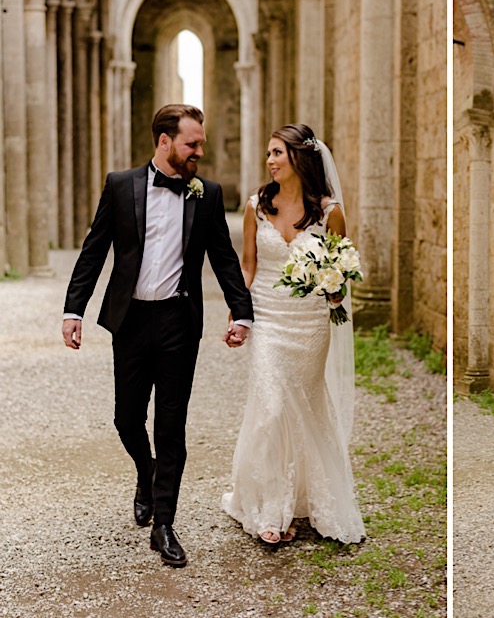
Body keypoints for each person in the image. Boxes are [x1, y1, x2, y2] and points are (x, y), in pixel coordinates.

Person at [62, 104, 254, 567]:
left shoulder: (205, 195)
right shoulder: (120, 185)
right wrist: (74, 309)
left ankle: (165, 523)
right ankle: (145, 474)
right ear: (165, 141)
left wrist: (242, 314)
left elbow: (225, 260)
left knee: (171, 424)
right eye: (192, 143)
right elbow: (94, 250)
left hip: (177, 324)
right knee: (127, 419)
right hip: (129, 321)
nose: (199, 152)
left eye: (201, 143)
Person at [221, 123, 365, 545]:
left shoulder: (329, 211)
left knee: (304, 407)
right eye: (268, 153)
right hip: (268, 318)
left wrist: (336, 288)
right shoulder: (255, 206)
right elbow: (247, 265)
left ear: (299, 158)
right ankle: (272, 508)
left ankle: (308, 498)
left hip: (309, 324)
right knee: (270, 407)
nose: (270, 161)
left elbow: (341, 264)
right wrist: (239, 313)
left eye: (277, 153)